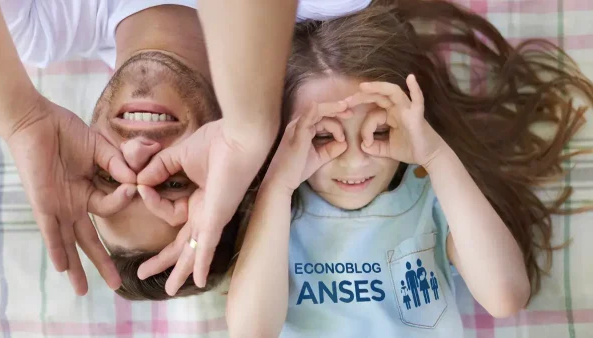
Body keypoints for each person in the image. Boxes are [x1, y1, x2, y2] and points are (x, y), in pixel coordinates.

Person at [225, 1, 593, 337]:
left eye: (379, 131)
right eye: (323, 138)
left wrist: (435, 155)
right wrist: (277, 184)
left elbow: (506, 296)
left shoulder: (430, 197)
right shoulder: (278, 213)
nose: (355, 159)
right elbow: (251, 331)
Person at [0, 0, 371, 299]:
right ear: (237, 173)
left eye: (110, 175)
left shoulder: (36, 29)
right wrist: (249, 129)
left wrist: (19, 117)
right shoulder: (329, 3)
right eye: (173, 181)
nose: (139, 151)